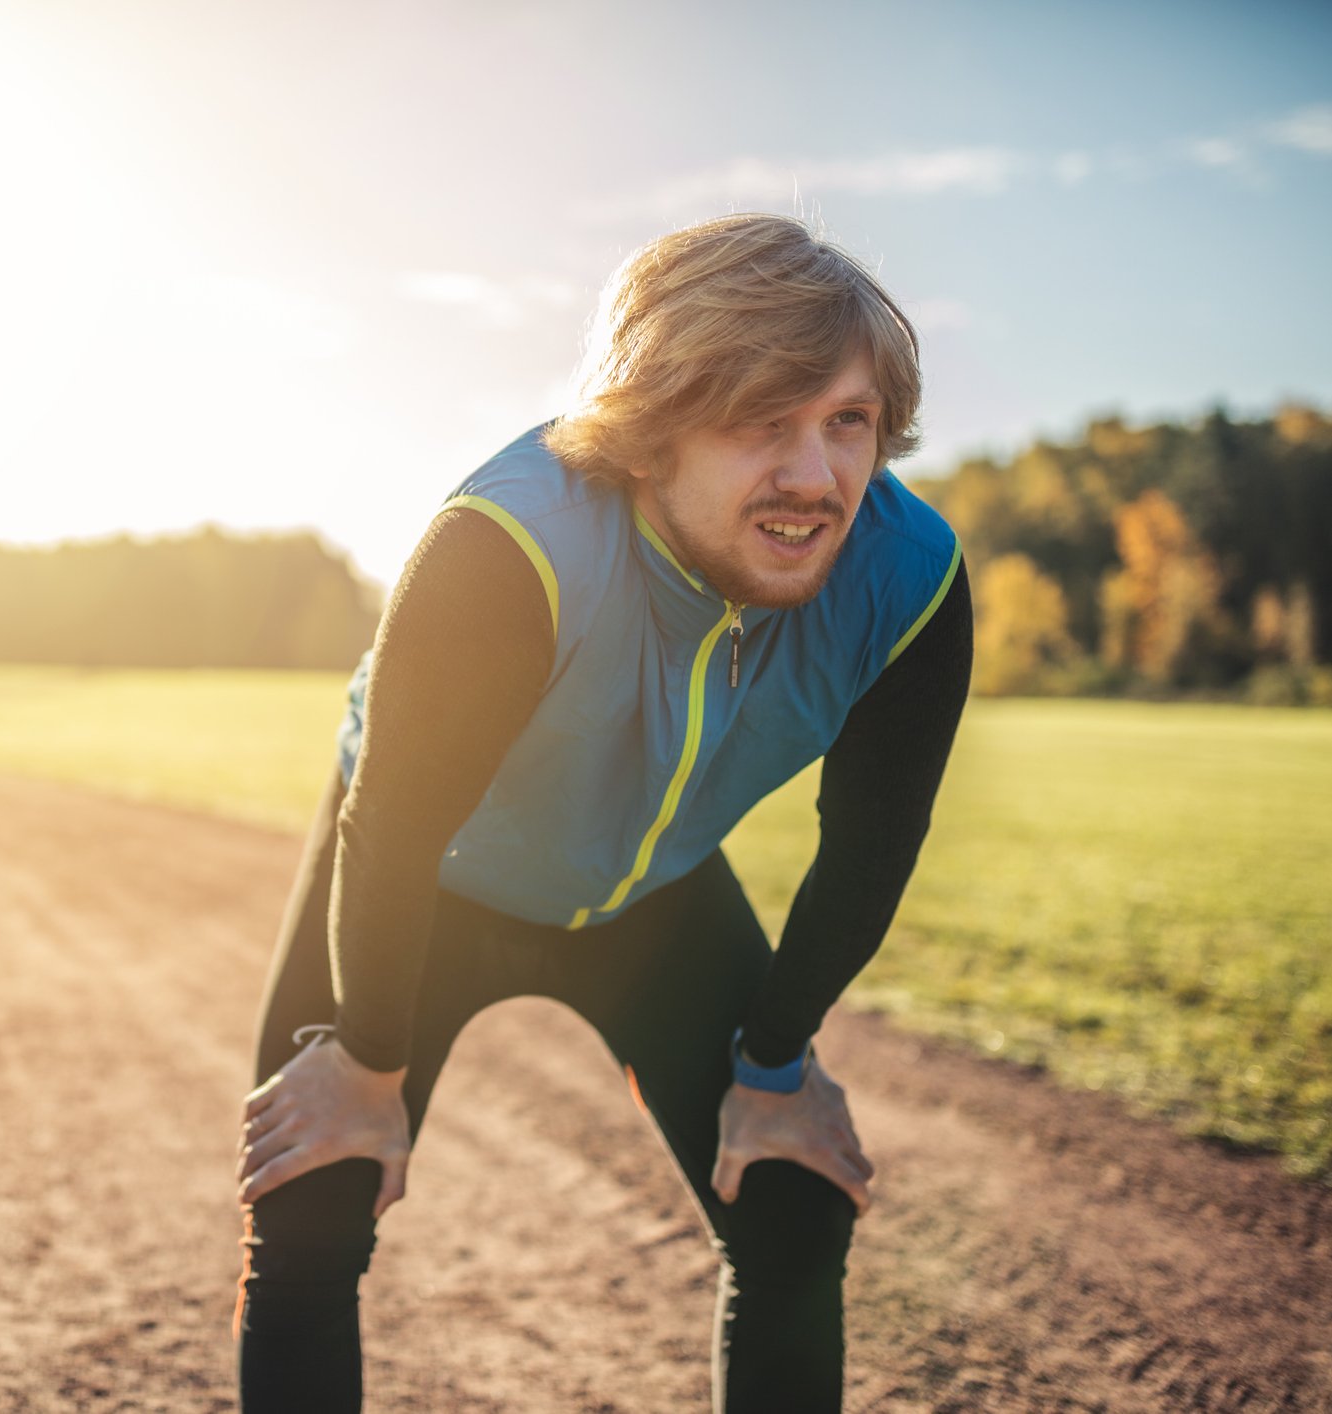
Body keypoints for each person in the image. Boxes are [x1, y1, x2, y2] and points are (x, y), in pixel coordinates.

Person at [231, 212, 973, 1411]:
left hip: (652, 889)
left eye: (849, 422)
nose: (816, 476)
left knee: (793, 1201)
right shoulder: (509, 544)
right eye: (760, 422)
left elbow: (873, 845)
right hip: (426, 875)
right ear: (649, 430)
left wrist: (774, 1066)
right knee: (313, 1190)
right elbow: (399, 826)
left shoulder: (911, 578)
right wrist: (367, 1062)